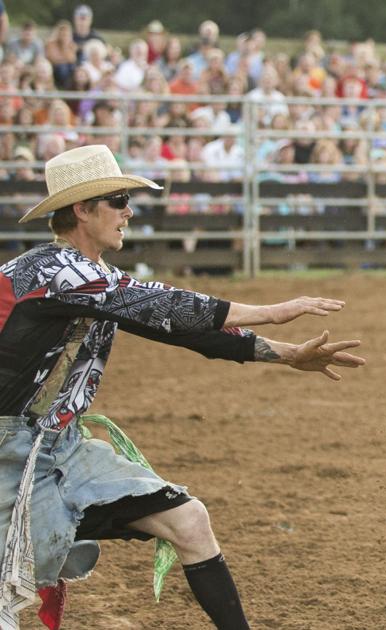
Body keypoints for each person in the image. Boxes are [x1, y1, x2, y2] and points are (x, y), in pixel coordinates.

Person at [0, 145, 366, 629]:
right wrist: (268, 310)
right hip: (9, 454)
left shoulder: (94, 276)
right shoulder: (54, 271)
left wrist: (287, 353)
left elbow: (180, 327)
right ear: (81, 210)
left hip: (54, 447)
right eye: (118, 199)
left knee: (189, 520)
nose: (129, 211)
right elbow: (168, 306)